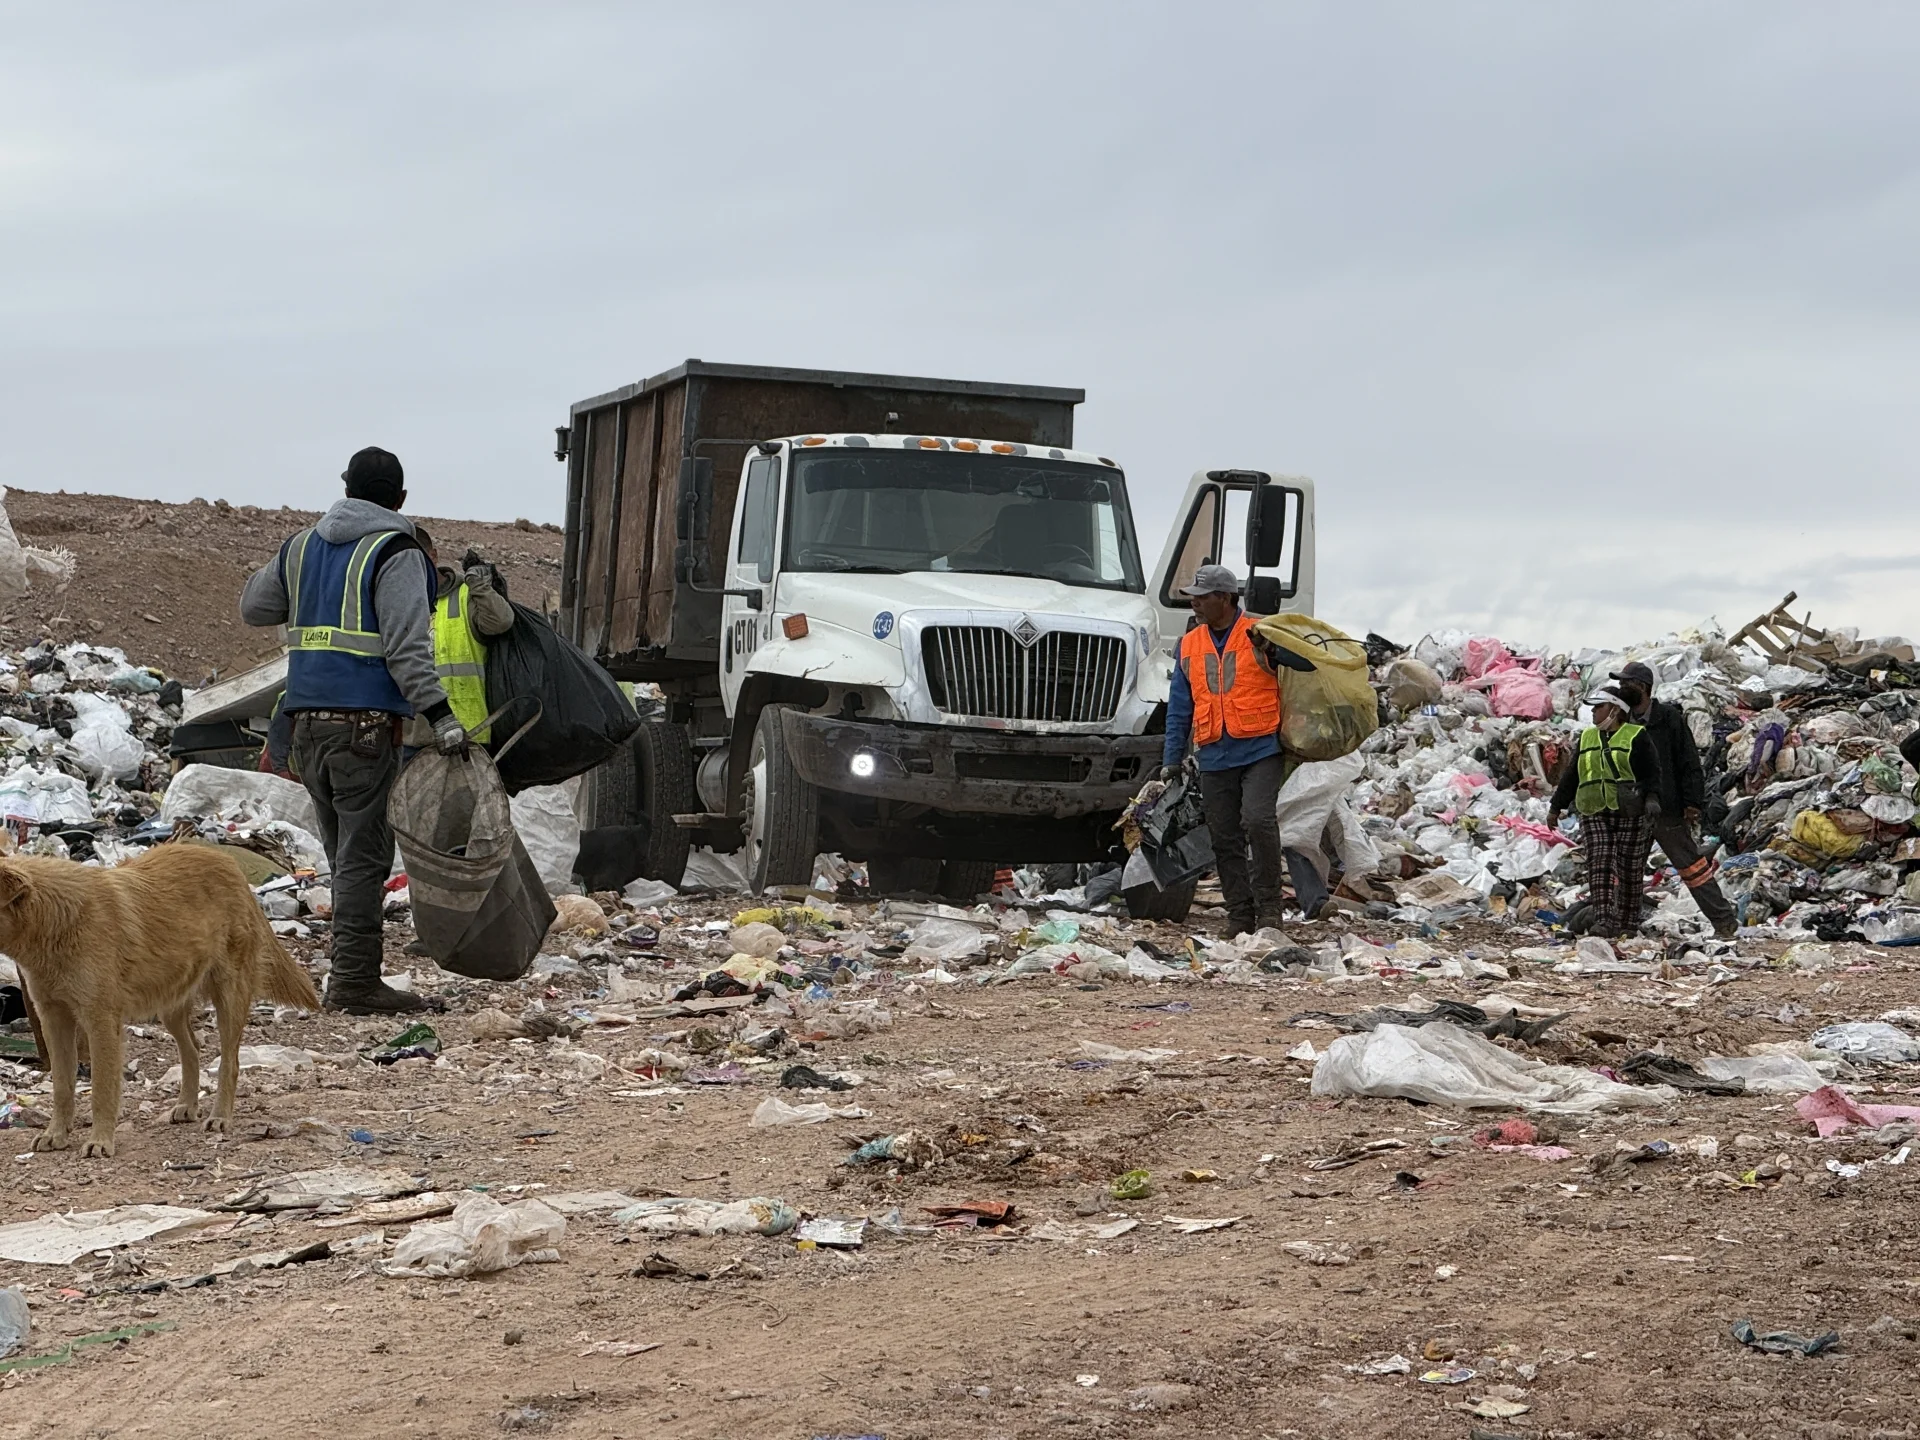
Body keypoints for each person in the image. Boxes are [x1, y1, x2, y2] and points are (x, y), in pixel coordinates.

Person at [239, 447, 464, 1015]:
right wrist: (442, 718)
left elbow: (254, 608)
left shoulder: (300, 547)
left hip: (306, 728)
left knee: (345, 859)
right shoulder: (396, 551)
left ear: (345, 487)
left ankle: (348, 975)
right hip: (363, 730)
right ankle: (356, 983)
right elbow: (408, 649)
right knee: (365, 860)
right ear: (401, 499)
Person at [1161, 564, 1325, 933]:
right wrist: (1171, 759)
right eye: (1193, 598)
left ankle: (1270, 910)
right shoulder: (1188, 644)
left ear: (1226, 598)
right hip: (1215, 752)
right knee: (1224, 836)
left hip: (1260, 748)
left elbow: (1308, 665)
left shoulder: (1260, 632)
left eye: (1203, 598)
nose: (1195, 606)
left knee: (1257, 820)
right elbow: (1179, 707)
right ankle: (1239, 915)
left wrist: (1275, 651)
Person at [1611, 660, 1738, 938]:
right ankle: (1620, 925)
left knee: (1692, 867)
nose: (1621, 689)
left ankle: (1724, 922)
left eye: (1626, 684)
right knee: (1626, 869)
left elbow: (1689, 762)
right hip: (1632, 809)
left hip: (1666, 809)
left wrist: (1692, 803)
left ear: (1642, 687)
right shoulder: (1621, 722)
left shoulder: (1668, 719)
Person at [1547, 687, 1664, 939]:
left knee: (1629, 870)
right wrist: (1556, 807)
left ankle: (1627, 924)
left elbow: (1652, 772)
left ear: (1614, 709)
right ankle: (1603, 921)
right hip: (1593, 810)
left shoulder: (1636, 736)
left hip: (1630, 811)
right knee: (1599, 863)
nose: (1593, 712)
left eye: (1598, 707)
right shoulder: (1587, 737)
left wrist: (1652, 798)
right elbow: (1571, 775)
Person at [399, 528, 515, 754]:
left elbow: (501, 621)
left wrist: (480, 586)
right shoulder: (398, 601)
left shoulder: (466, 595)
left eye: (417, 558)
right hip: (412, 739)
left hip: (467, 737)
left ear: (433, 555)